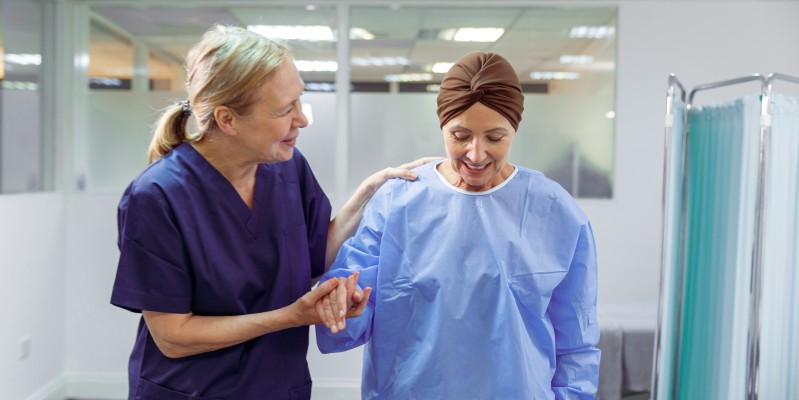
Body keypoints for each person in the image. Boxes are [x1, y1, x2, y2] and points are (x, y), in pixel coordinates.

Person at [110, 25, 432, 399]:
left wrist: (367, 194)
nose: (303, 119)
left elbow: (314, 256)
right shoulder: (157, 197)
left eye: (300, 100)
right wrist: (293, 316)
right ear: (227, 119)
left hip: (279, 386)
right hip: (194, 390)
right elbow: (173, 337)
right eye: (284, 109)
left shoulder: (287, 168)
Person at [315, 52, 601, 399]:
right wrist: (343, 304)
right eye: (460, 135)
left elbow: (577, 341)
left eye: (495, 138)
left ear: (514, 130)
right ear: (441, 127)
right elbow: (351, 310)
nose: (476, 154)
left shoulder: (555, 212)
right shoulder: (398, 201)